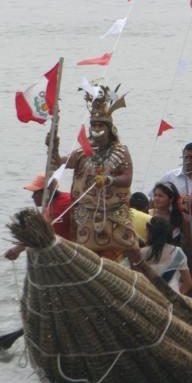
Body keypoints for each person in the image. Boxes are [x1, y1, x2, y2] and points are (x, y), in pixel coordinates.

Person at [52, 86, 138, 261]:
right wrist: (52, 147)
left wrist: (108, 180)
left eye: (100, 125)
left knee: (132, 251)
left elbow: (127, 179)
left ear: (109, 129)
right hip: (87, 215)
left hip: (114, 213)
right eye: (94, 125)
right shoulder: (82, 152)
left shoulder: (121, 151)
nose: (97, 128)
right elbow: (59, 163)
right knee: (86, 257)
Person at [4, 174, 73, 260]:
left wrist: (17, 250)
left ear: (46, 192)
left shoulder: (68, 201)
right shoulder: (48, 207)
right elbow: (39, 234)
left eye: (35, 192)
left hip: (69, 254)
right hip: (56, 254)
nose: (32, 196)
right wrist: (16, 250)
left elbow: (41, 233)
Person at [140, 216, 192, 295]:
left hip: (150, 299)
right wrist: (178, 296)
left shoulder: (141, 253)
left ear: (149, 232)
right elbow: (188, 283)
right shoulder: (177, 252)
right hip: (172, 300)